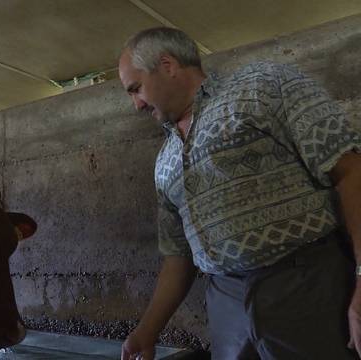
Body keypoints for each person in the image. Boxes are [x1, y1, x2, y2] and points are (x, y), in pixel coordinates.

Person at [118, 27, 361, 360]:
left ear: (167, 64)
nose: (135, 104)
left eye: (136, 88)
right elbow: (178, 254)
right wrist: (147, 331)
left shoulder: (265, 86)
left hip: (304, 283)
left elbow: (348, 171)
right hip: (225, 302)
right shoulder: (165, 161)